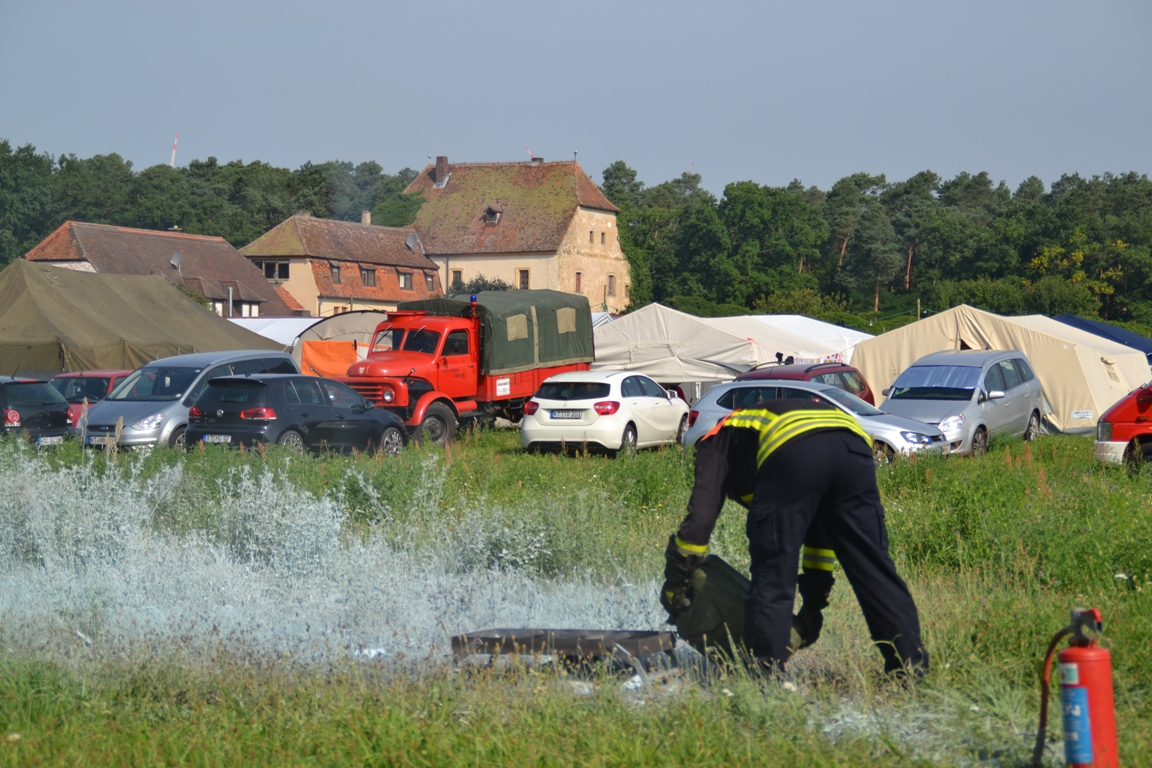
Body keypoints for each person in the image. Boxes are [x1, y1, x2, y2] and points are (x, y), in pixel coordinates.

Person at [661, 399, 928, 675]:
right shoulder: (751, 438)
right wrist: (814, 603)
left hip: (793, 446)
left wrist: (676, 582)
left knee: (774, 568)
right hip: (853, 444)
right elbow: (819, 533)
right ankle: (911, 668)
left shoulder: (714, 443)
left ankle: (767, 674)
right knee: (874, 566)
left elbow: (700, 520)